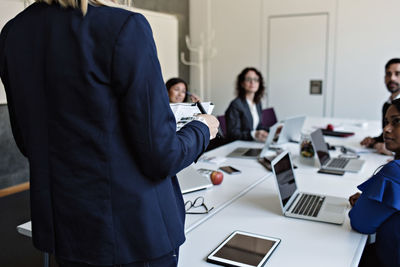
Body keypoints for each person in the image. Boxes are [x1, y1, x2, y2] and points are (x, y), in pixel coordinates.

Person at [0, 1, 219, 266]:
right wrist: (202, 128)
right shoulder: (124, 26)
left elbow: (27, 142)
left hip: (66, 231)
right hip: (134, 236)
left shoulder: (14, 33)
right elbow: (162, 155)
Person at [349, 98, 400, 267]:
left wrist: (364, 205)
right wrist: (371, 202)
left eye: (396, 122)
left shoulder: (395, 171)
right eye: (386, 122)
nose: (386, 129)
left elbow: (361, 223)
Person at [360, 58, 400, 156]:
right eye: (388, 74)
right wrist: (373, 141)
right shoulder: (387, 105)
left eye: (397, 74)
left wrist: (392, 152)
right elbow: (388, 132)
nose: (392, 78)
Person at [225, 67, 268, 142]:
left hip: (252, 142)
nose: (252, 82)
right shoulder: (236, 104)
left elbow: (258, 126)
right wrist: (254, 134)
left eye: (256, 79)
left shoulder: (257, 103)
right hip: (239, 145)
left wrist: (273, 130)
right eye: (248, 79)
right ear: (242, 83)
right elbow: (233, 134)